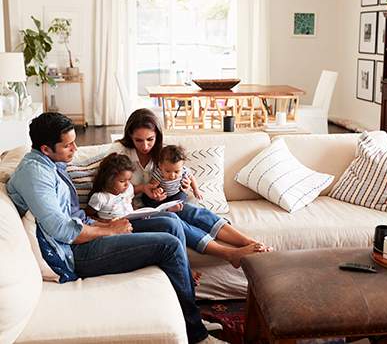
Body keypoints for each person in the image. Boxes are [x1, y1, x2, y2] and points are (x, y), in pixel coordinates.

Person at [7, 112, 227, 344]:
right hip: (73, 253)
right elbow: (63, 230)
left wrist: (104, 223)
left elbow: (72, 218)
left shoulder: (50, 163)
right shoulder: (36, 174)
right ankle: (198, 336)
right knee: (169, 246)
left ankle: (188, 316)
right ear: (45, 148)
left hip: (86, 231)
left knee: (170, 222)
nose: (75, 148)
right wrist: (110, 230)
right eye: (68, 145)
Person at [108, 108, 273, 270]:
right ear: (130, 134)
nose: (145, 146)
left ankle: (250, 242)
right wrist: (142, 188)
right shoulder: (120, 154)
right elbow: (108, 188)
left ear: (157, 134)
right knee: (176, 222)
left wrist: (184, 184)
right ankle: (229, 254)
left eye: (150, 139)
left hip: (164, 203)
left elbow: (180, 175)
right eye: (138, 140)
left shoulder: (164, 153)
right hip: (135, 211)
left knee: (193, 211)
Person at [85, 153, 137, 220]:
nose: (127, 184)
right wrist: (106, 223)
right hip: (120, 228)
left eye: (129, 179)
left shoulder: (128, 188)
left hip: (134, 221)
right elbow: (87, 215)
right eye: (122, 181)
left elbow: (131, 205)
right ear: (109, 179)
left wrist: (140, 213)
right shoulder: (100, 198)